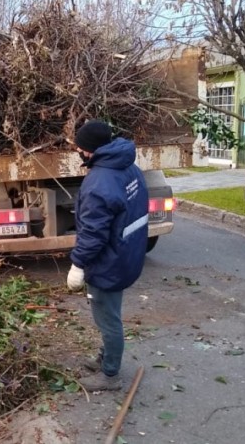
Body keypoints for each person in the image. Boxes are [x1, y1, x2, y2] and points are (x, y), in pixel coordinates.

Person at [67, 119, 149, 392]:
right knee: (110, 311)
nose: (77, 151)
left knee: (107, 317)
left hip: (109, 261)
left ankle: (110, 375)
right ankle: (106, 358)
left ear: (89, 150)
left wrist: (78, 264)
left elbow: (93, 234)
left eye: (79, 147)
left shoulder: (99, 182)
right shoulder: (127, 165)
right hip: (126, 252)